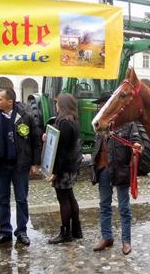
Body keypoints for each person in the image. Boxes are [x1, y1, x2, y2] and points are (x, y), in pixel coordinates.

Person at [0, 88, 41, 247]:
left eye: (0, 98)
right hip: (0, 166)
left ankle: (21, 231)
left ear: (9, 102)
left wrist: (35, 163)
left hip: (20, 166)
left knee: (21, 199)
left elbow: (35, 140)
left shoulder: (25, 116)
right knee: (2, 200)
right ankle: (5, 232)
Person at [91, 96, 142, 255]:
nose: (100, 109)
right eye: (100, 106)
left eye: (103, 106)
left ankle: (126, 241)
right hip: (103, 170)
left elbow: (137, 140)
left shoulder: (128, 124)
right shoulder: (100, 125)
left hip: (120, 171)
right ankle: (107, 237)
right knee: (104, 205)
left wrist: (137, 146)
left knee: (124, 207)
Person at [46, 93, 83, 244]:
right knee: (70, 197)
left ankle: (65, 233)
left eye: (57, 103)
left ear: (62, 105)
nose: (55, 106)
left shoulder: (64, 122)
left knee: (64, 200)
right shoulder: (72, 120)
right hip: (70, 166)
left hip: (64, 168)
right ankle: (76, 231)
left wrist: (55, 172)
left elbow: (60, 151)